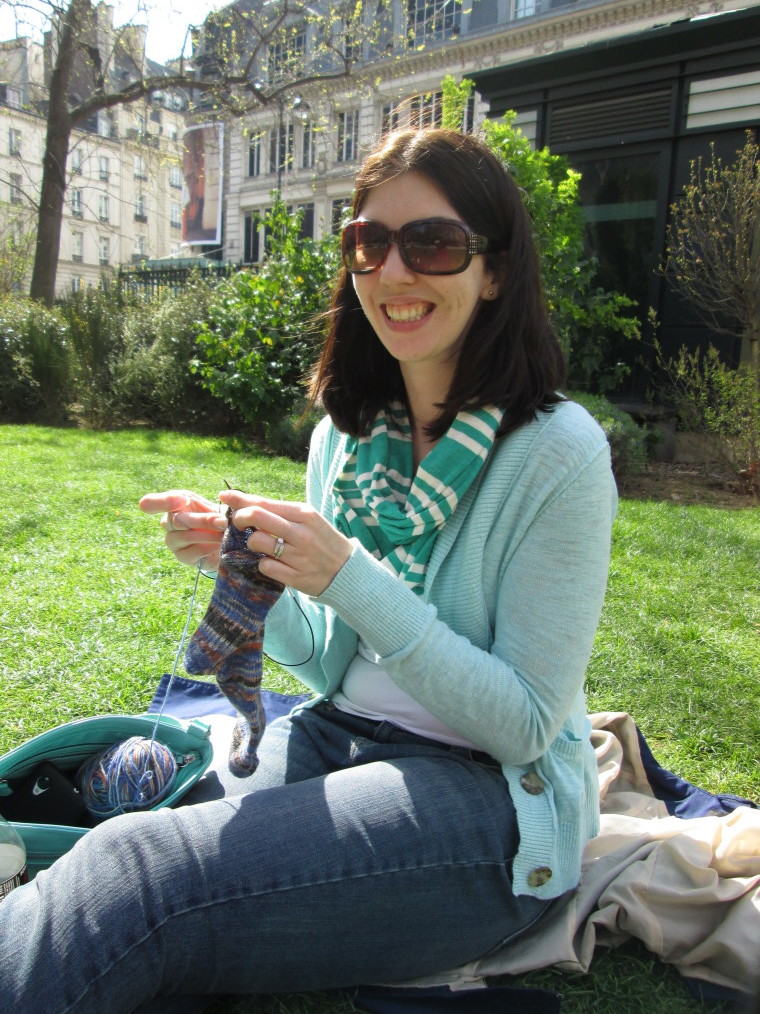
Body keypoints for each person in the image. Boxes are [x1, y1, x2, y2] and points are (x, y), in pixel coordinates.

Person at [0, 128, 617, 1013]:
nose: (394, 272)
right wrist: (256, 571)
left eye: (433, 243)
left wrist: (348, 577)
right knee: (134, 823)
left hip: (486, 801)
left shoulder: (558, 453)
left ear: (494, 271)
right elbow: (327, 667)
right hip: (339, 736)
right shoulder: (347, 438)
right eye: (370, 242)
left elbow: (522, 725)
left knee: (139, 871)